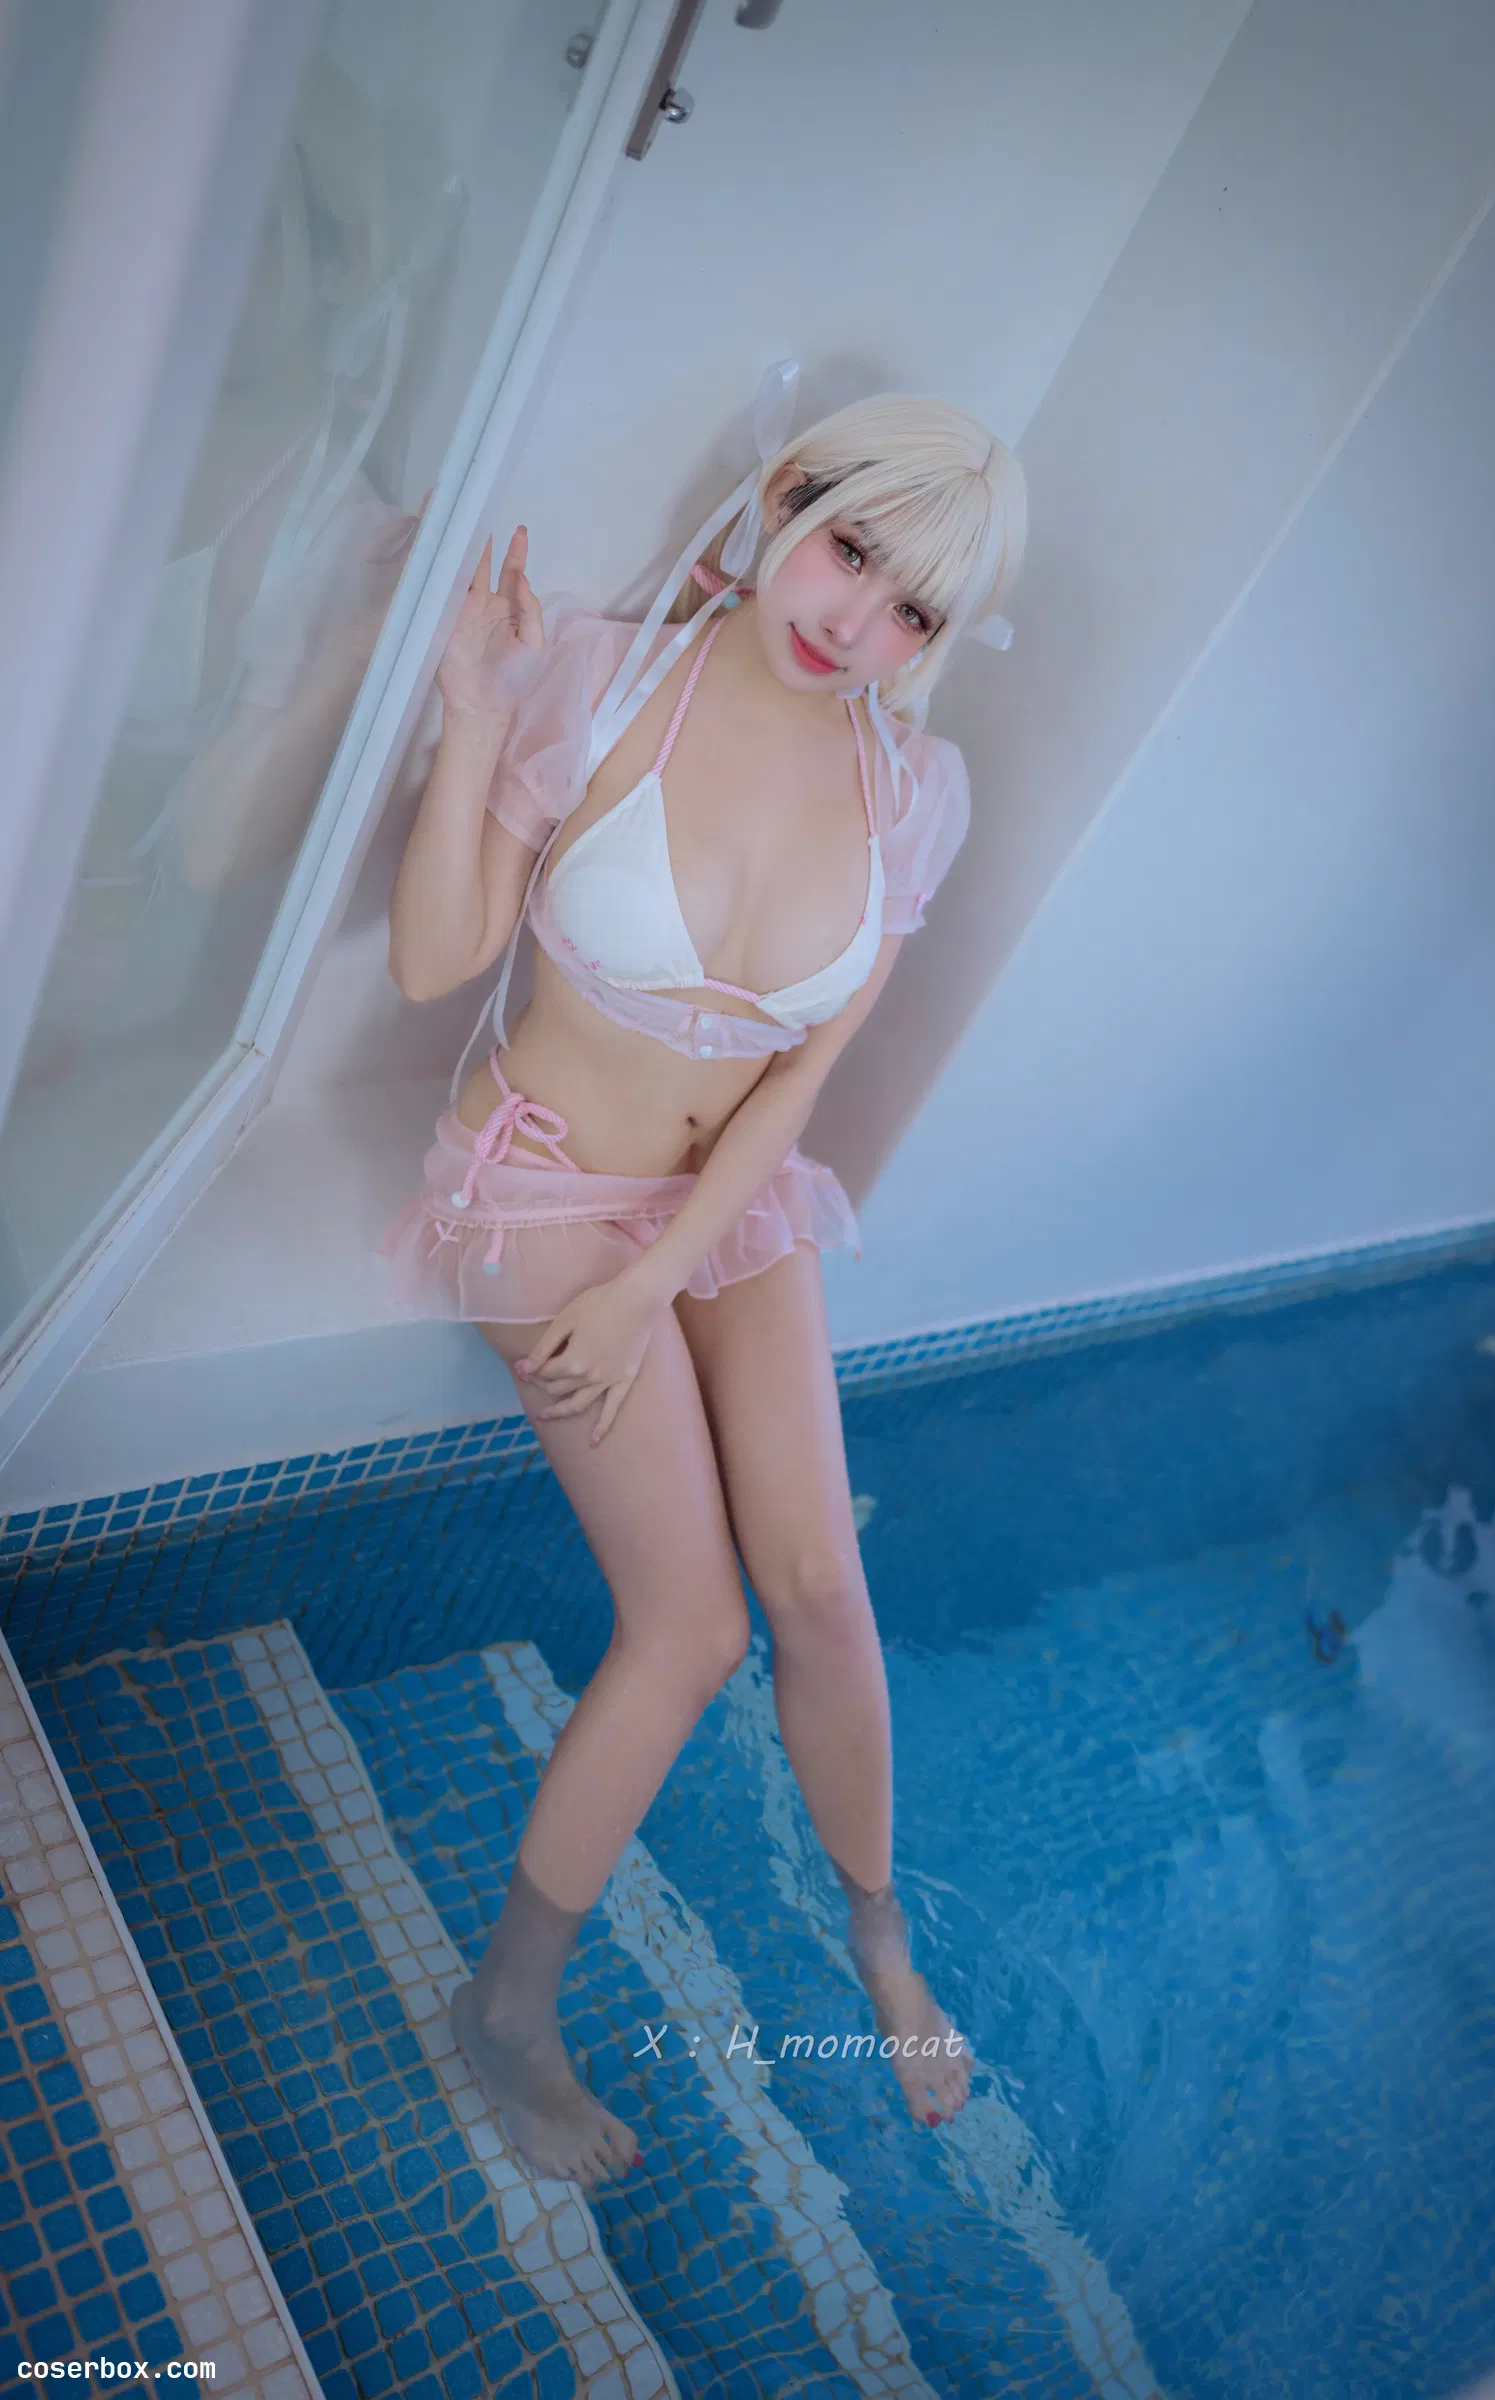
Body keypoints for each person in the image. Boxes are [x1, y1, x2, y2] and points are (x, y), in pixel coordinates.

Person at [384, 370, 1027, 2187]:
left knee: (822, 1583)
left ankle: (876, 1933)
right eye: (851, 553)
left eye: (915, 611)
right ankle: (508, 2006)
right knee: (693, 1627)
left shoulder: (913, 787)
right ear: (785, 497)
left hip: (715, 1204)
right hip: (539, 1181)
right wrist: (471, 716)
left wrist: (662, 1270)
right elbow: (437, 963)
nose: (858, 624)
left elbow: (797, 1085)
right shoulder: (601, 683)